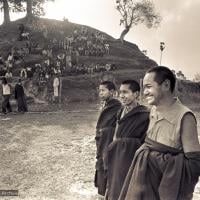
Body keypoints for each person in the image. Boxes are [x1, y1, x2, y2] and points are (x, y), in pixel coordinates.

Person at [119, 66, 200, 200]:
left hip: (166, 190)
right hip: (143, 186)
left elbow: (195, 164)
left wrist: (158, 161)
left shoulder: (185, 117)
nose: (144, 92)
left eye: (148, 87)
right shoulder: (153, 111)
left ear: (166, 85)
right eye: (144, 88)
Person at [105, 80, 149, 200]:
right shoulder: (120, 112)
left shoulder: (145, 114)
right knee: (114, 184)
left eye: (125, 92)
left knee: (129, 186)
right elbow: (117, 133)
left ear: (136, 94)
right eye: (120, 92)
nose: (121, 96)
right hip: (117, 154)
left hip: (132, 156)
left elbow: (146, 140)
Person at [95, 81, 121, 199]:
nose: (100, 93)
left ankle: (108, 193)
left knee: (107, 165)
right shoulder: (106, 104)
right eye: (99, 90)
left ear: (112, 92)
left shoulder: (116, 105)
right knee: (101, 164)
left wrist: (103, 133)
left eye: (103, 90)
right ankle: (102, 192)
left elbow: (112, 125)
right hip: (103, 139)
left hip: (108, 140)